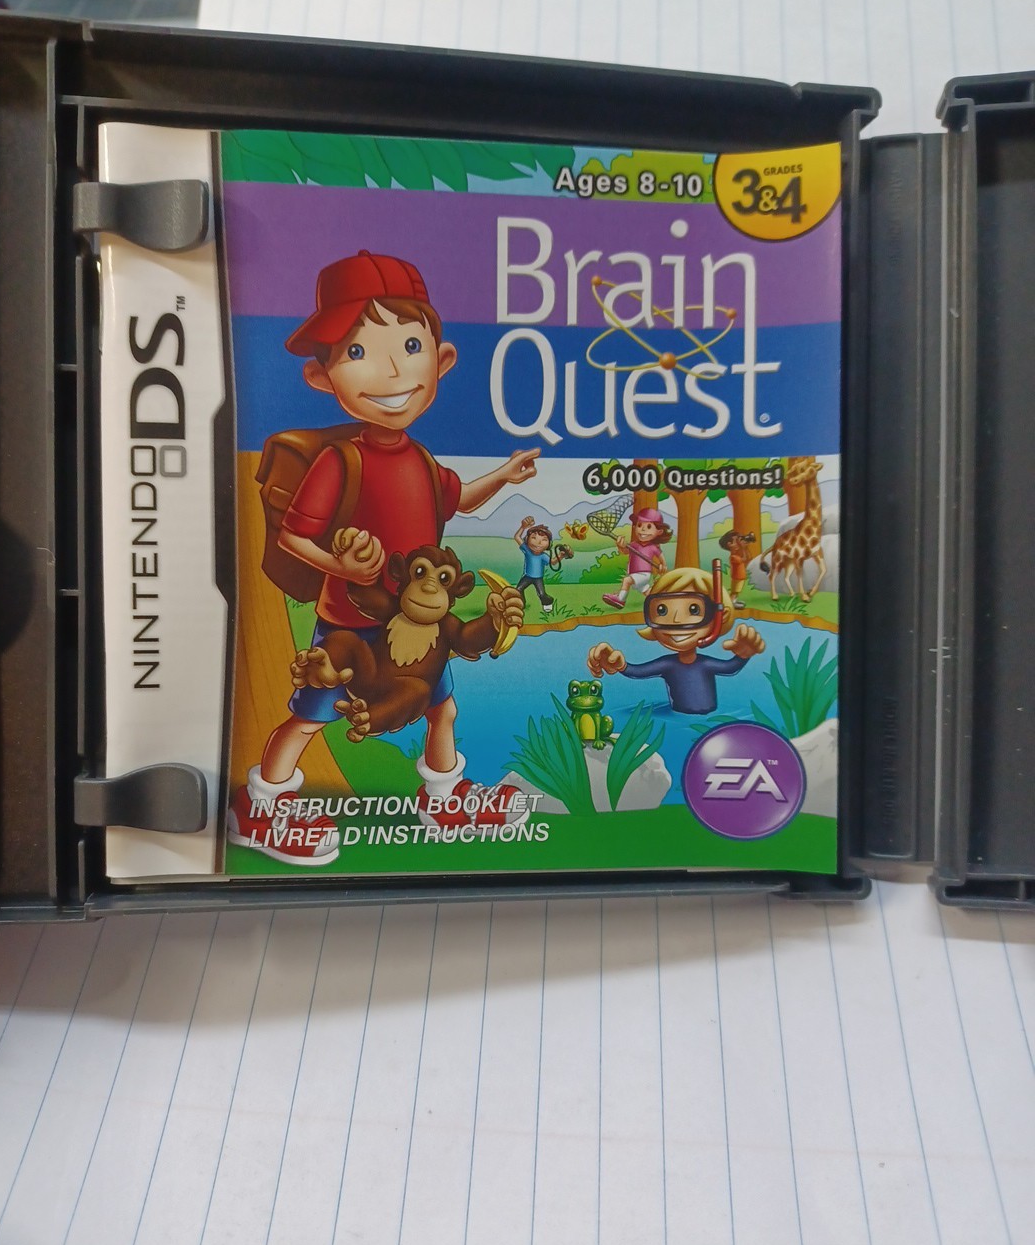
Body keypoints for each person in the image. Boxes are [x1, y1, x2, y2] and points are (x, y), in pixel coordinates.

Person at [228, 251, 540, 864]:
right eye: (357, 352)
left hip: (422, 624)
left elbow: (457, 500)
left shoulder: (420, 458)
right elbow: (294, 537)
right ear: (323, 378)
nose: (393, 371)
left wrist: (503, 476)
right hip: (351, 625)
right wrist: (341, 569)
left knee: (442, 707)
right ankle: (261, 805)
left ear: (441, 361)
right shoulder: (339, 462)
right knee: (311, 715)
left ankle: (443, 797)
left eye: (411, 346)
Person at [588, 566, 765, 715]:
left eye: (694, 609)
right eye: (662, 610)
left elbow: (729, 667)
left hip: (708, 719)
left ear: (720, 616)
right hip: (678, 718)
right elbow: (639, 671)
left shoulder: (705, 664)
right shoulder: (668, 665)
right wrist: (620, 665)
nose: (677, 620)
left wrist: (744, 655)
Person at [601, 507, 671, 608]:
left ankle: (620, 600)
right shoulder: (634, 545)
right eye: (639, 525)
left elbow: (660, 556)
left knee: (627, 581)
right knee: (647, 592)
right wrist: (620, 546)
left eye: (649, 526)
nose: (643, 529)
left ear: (659, 531)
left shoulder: (652, 547)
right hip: (634, 573)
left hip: (643, 574)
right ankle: (660, 599)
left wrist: (663, 565)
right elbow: (625, 551)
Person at [718, 528, 756, 608]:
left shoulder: (738, 554)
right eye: (737, 541)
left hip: (740, 576)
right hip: (737, 577)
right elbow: (744, 559)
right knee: (735, 591)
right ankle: (731, 603)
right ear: (729, 544)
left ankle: (734, 601)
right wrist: (743, 548)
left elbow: (749, 558)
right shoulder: (733, 557)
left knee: (737, 591)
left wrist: (745, 548)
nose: (739, 543)